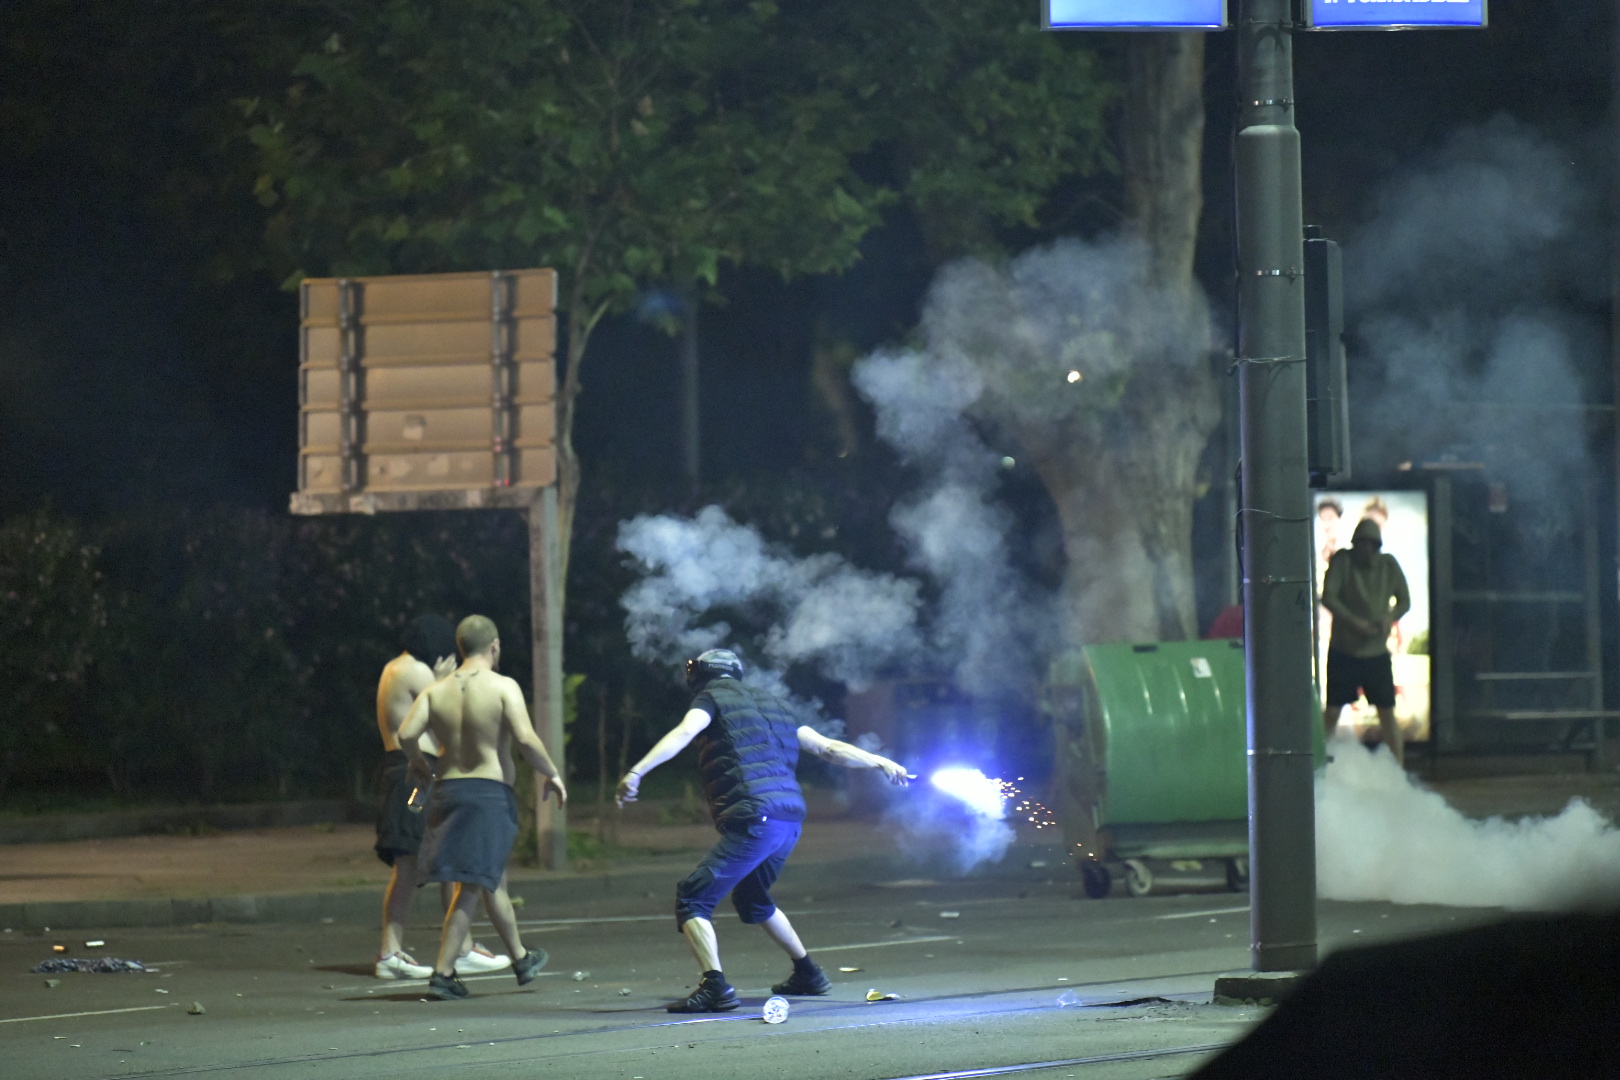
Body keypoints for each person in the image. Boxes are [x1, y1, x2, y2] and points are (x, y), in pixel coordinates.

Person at [616, 649, 912, 1013]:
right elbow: (828, 748)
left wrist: (637, 772)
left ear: (698, 676)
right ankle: (808, 973)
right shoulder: (777, 705)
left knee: (693, 898)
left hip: (756, 816)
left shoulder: (710, 698)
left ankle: (715, 987)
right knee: (752, 897)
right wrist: (878, 760)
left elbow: (685, 732)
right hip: (789, 818)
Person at [398, 614, 567, 1000]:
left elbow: (407, 733)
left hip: (449, 791)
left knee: (490, 878)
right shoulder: (503, 686)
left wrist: (418, 762)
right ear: (494, 647)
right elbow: (524, 738)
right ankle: (443, 973)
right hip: (487, 794)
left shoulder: (435, 691)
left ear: (460, 648)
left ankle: (521, 958)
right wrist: (551, 773)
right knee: (472, 884)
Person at [372, 615, 508, 980]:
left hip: (411, 773)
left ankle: (460, 946)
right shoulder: (414, 671)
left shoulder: (394, 667)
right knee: (409, 864)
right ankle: (391, 951)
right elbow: (449, 703)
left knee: (444, 858)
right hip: (412, 774)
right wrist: (447, 677)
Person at [1321, 518, 1411, 765]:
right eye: (1362, 543)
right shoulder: (1342, 561)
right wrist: (1354, 622)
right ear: (1355, 543)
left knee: (1386, 713)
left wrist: (1389, 618)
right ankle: (1316, 769)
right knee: (1331, 712)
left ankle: (1399, 771)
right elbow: (1329, 596)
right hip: (1344, 650)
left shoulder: (1388, 565)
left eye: (1372, 544)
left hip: (1376, 653)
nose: (1367, 549)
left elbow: (1404, 600)